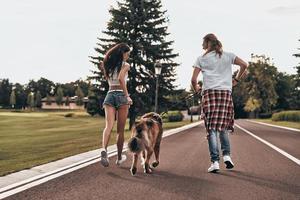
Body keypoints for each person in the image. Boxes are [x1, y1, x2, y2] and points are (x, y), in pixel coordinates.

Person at [191, 33, 248, 173]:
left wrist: (196, 88)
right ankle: (227, 156)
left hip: (210, 94)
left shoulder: (201, 59)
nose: (201, 45)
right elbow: (244, 65)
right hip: (225, 93)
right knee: (223, 127)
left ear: (207, 43)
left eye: (203, 42)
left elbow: (193, 80)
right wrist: (236, 80)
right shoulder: (228, 55)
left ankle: (215, 162)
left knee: (211, 129)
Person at [98, 43, 133, 167]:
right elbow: (120, 79)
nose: (128, 56)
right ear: (123, 53)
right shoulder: (126, 65)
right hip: (121, 96)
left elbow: (114, 80)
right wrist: (127, 96)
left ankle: (104, 149)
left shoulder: (108, 65)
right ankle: (118, 158)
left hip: (109, 94)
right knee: (120, 131)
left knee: (108, 126)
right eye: (127, 54)